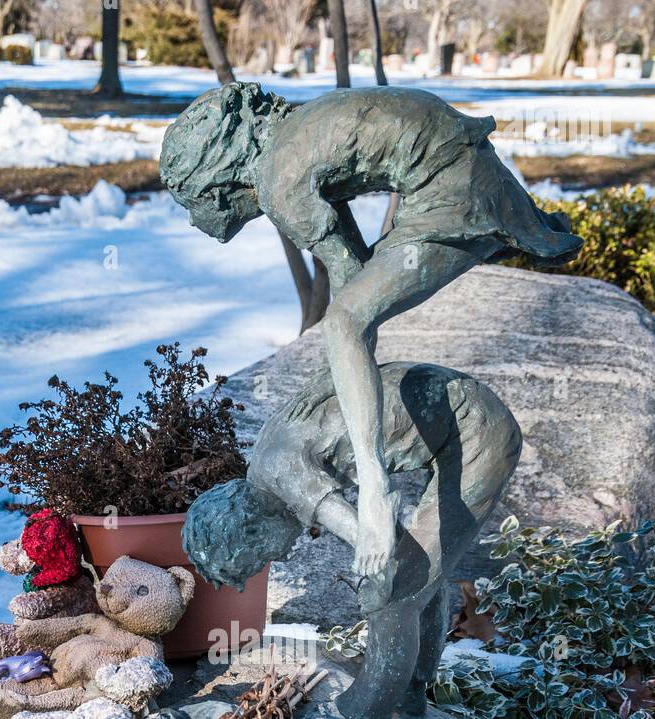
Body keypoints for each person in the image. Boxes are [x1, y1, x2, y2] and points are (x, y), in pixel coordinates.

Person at [162, 82, 579, 592]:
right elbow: (352, 278)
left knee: (341, 326)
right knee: (347, 324)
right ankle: (375, 483)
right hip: (454, 166)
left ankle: (376, 489)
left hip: (448, 186)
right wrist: (342, 375)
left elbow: (347, 310)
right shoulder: (295, 140)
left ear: (222, 182)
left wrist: (367, 492)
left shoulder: (276, 182)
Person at [183, 361, 522, 719]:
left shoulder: (281, 475)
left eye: (262, 557)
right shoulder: (266, 463)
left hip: (477, 437)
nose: (282, 556)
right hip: (462, 416)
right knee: (421, 578)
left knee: (395, 592)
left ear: (249, 531)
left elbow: (371, 543)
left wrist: (378, 579)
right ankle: (411, 708)